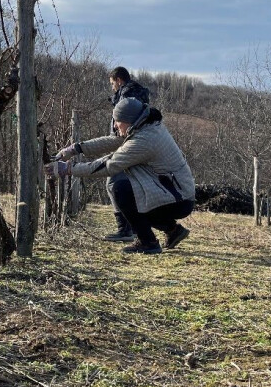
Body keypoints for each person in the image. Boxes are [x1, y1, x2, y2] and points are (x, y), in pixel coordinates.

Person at [46, 97, 194, 254]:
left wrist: (68, 169)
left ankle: (148, 242)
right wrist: (75, 149)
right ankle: (173, 231)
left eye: (117, 121)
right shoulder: (144, 126)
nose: (115, 125)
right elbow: (114, 140)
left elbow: (109, 165)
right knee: (128, 189)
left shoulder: (145, 139)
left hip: (178, 198)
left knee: (121, 189)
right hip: (175, 192)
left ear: (129, 120)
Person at [84, 67, 150, 242]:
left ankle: (126, 230)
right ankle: (132, 229)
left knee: (112, 182)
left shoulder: (126, 97)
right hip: (134, 146)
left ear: (119, 80)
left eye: (112, 84)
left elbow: (124, 125)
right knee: (123, 185)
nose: (112, 87)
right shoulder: (138, 95)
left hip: (127, 146)